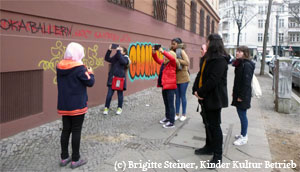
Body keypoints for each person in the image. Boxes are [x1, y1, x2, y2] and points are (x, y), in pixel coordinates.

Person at [192, 34, 229, 168]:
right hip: (204, 97)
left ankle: (218, 156)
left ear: (212, 43)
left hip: (214, 98)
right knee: (207, 124)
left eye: (207, 41)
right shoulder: (207, 58)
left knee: (214, 126)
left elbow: (213, 80)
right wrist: (195, 90)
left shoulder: (220, 60)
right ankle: (208, 146)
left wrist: (200, 92)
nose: (205, 43)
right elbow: (200, 75)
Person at [57, 42, 95, 169]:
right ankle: (75, 160)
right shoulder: (80, 68)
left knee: (66, 130)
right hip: (77, 105)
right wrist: (91, 73)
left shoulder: (59, 66)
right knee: (76, 131)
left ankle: (64, 157)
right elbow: (90, 82)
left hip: (64, 105)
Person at [232, 46, 255, 146]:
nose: (237, 53)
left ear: (245, 53)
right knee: (241, 114)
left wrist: (241, 96)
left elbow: (246, 82)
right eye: (237, 51)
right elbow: (237, 80)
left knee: (242, 115)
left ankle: (244, 137)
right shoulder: (240, 63)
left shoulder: (247, 65)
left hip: (243, 95)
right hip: (239, 93)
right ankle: (242, 134)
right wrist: (234, 92)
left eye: (239, 52)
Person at [152, 46, 178, 128]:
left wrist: (163, 51)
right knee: (166, 103)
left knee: (170, 104)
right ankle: (167, 117)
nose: (164, 57)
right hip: (164, 86)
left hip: (170, 87)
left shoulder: (173, 63)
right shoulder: (164, 63)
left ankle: (172, 122)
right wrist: (154, 52)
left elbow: (172, 59)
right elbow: (156, 59)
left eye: (166, 56)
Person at [103, 45, 130, 115]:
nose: (118, 51)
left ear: (124, 53)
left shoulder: (126, 58)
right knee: (109, 95)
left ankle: (119, 108)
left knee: (120, 95)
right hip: (112, 79)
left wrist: (118, 51)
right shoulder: (116, 57)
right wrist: (109, 50)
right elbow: (107, 59)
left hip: (119, 80)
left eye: (120, 50)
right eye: (118, 50)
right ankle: (106, 107)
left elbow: (123, 62)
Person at [171, 38, 190, 122]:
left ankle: (184, 114)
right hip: (176, 78)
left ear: (178, 44)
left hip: (184, 78)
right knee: (177, 97)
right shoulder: (172, 52)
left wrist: (177, 60)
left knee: (182, 96)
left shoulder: (181, 51)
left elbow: (187, 62)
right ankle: (177, 114)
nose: (172, 45)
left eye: (174, 44)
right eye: (172, 43)